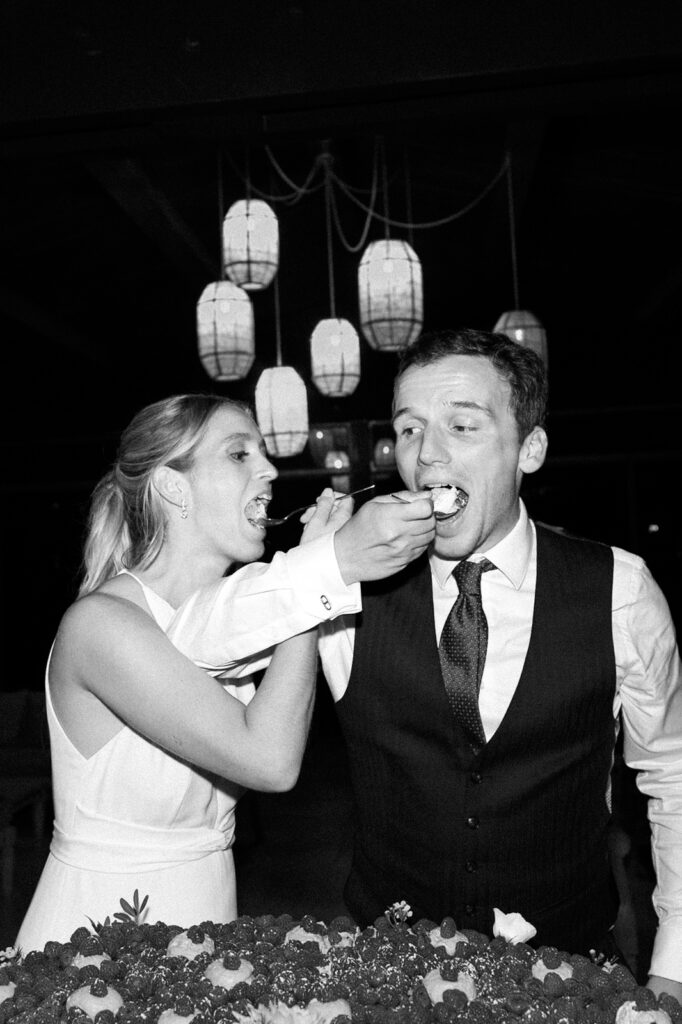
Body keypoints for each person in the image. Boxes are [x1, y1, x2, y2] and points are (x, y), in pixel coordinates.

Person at [171, 333, 682, 999]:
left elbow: (672, 776)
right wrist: (329, 562)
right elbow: (189, 643)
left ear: (529, 449)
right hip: (389, 985)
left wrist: (673, 967)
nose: (426, 454)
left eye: (462, 426)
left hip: (574, 977)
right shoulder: (351, 587)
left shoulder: (620, 590)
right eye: (409, 429)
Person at [16, 393, 435, 952]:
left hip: (211, 921)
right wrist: (320, 571)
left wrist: (314, 568)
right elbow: (270, 759)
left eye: (262, 452)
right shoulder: (100, 625)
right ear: (173, 487)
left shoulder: (227, 618)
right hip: (99, 942)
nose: (270, 470)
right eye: (239, 454)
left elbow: (257, 612)